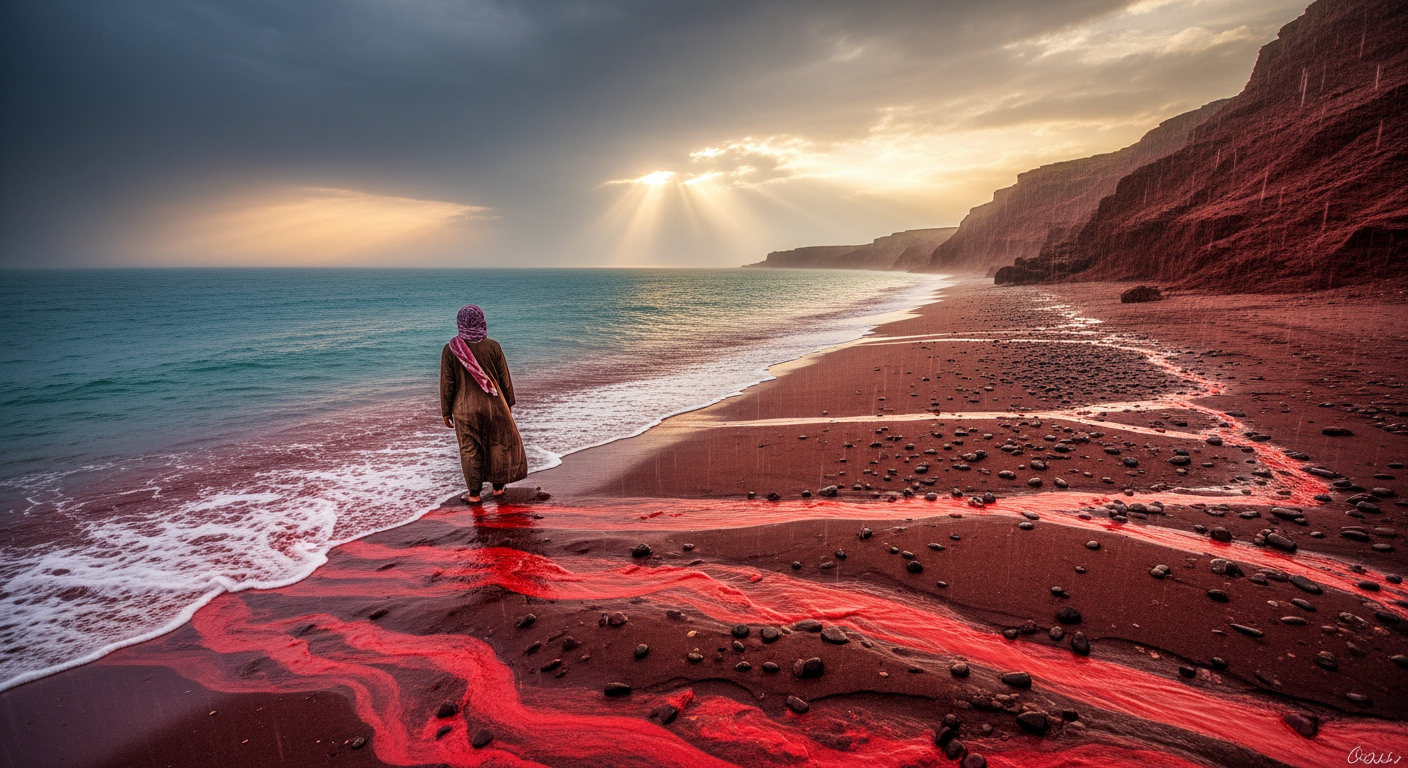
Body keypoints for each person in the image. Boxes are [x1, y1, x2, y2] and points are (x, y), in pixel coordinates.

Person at [440, 304, 527, 503]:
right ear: (481, 321)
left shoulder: (451, 349)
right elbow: (505, 379)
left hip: (464, 409)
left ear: (460, 322)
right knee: (497, 445)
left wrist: (446, 411)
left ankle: (474, 494)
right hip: (495, 406)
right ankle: (498, 488)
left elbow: (447, 383)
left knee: (469, 450)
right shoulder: (493, 346)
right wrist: (508, 405)